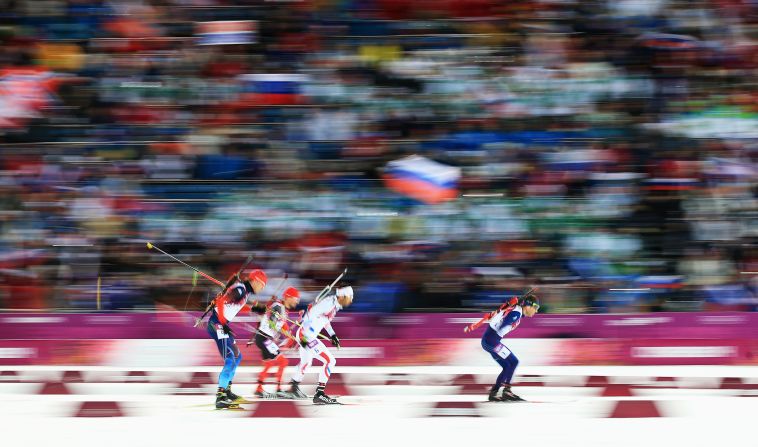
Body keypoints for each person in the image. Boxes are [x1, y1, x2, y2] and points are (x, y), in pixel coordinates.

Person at [207, 269, 267, 409]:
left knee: (237, 356)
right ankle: (220, 397)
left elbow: (235, 305)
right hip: (217, 324)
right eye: (262, 285)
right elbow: (221, 302)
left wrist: (253, 309)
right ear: (256, 281)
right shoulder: (240, 290)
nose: (262, 288)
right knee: (230, 358)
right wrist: (222, 322)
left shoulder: (244, 291)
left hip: (221, 324)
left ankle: (227, 391)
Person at [287, 285, 354, 405]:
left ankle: (293, 387)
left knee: (306, 362)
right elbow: (309, 315)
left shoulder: (334, 305)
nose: (351, 300)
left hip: (305, 335)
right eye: (350, 297)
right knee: (330, 361)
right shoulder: (328, 303)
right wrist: (305, 317)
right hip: (306, 336)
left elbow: (325, 320)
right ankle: (320, 394)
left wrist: (332, 335)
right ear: (343, 296)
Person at [480, 295, 539, 402]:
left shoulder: (517, 312)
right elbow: (505, 322)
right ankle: (507, 392)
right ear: (529, 306)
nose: (536, 311)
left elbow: (507, 314)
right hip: (492, 341)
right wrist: (503, 324)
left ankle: (494, 392)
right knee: (514, 361)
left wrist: (510, 306)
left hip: (488, 341)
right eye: (536, 308)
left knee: (507, 365)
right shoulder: (516, 313)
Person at [251, 286, 301, 398]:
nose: (297, 301)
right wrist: (282, 332)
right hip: (265, 338)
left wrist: (290, 336)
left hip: (263, 338)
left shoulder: (282, 309)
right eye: (295, 298)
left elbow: (284, 325)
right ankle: (278, 389)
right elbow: (272, 323)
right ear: (289, 297)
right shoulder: (278, 307)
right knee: (283, 362)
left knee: (269, 364)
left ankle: (259, 389)